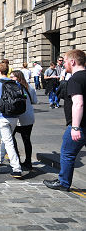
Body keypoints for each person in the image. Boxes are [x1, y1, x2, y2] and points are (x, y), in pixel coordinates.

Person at [44, 49, 86, 191]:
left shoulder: (75, 79)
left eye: (66, 61)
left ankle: (63, 182)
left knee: (67, 154)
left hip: (80, 125)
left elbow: (78, 103)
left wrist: (75, 127)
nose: (64, 64)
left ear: (73, 62)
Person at [0, 62, 23, 179]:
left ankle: (16, 168)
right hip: (14, 115)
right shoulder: (15, 83)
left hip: (2, 115)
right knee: (6, 138)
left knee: (9, 142)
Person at [10, 70, 37, 170]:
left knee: (11, 138)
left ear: (18, 77)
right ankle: (28, 162)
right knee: (27, 140)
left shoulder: (14, 88)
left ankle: (17, 160)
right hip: (28, 118)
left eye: (12, 77)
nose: (10, 78)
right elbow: (35, 101)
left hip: (17, 118)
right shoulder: (30, 87)